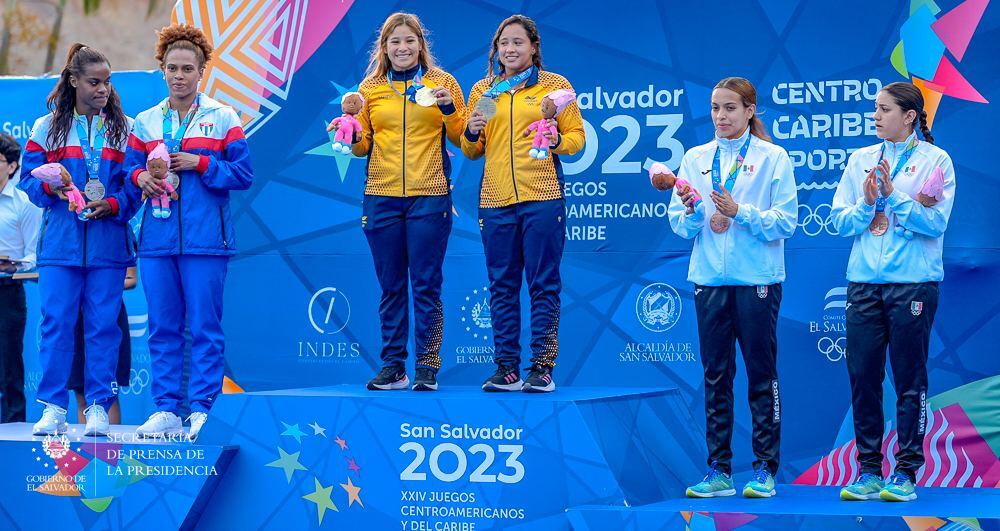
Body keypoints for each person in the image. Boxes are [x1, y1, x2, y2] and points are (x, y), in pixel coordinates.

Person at [666, 77, 797, 498]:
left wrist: (741, 212)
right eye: (715, 109)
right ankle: (718, 470)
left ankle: (764, 469)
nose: (720, 117)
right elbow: (681, 224)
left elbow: (786, 222)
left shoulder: (774, 157)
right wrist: (690, 212)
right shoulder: (696, 157)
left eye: (729, 108)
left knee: (762, 376)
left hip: (757, 279)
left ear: (749, 110)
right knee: (715, 377)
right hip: (708, 280)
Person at [125, 24, 253, 439]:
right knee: (163, 327)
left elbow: (243, 174)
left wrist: (200, 164)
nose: (179, 75)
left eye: (187, 68)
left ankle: (202, 408)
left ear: (202, 72)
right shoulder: (145, 122)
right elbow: (128, 172)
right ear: (162, 70)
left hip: (205, 242)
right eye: (171, 68)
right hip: (157, 242)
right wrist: (140, 177)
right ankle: (166, 409)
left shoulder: (222, 117)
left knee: (204, 327)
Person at [832, 81, 954, 503]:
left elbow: (934, 224)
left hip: (912, 285)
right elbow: (839, 223)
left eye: (884, 110)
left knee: (909, 380)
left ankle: (905, 472)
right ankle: (868, 471)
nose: (875, 116)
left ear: (909, 116)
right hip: (863, 284)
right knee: (863, 377)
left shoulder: (936, 161)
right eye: (875, 109)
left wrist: (892, 197)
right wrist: (867, 204)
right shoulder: (861, 159)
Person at [336, 12, 466, 392]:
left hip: (430, 196)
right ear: (384, 48)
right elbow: (361, 147)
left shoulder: (444, 83)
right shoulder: (370, 88)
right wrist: (348, 131)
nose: (402, 48)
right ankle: (394, 366)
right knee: (391, 286)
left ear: (421, 45)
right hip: (381, 196)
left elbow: (464, 139)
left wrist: (447, 109)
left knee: (426, 284)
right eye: (395, 42)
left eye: (409, 41)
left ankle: (427, 366)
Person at [18, 44, 136, 437]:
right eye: (94, 82)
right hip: (59, 248)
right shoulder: (45, 127)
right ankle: (53, 406)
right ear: (73, 81)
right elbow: (29, 181)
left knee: (103, 327)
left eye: (107, 82)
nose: (102, 89)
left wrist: (115, 203)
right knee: (56, 324)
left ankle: (99, 408)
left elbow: (134, 187)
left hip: (108, 246)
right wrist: (54, 192)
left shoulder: (125, 129)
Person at [462, 14, 584, 393]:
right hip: (495, 200)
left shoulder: (554, 86)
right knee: (501, 285)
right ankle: (507, 369)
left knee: (543, 283)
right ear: (496, 50)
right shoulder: (484, 89)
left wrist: (554, 143)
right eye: (504, 43)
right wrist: (470, 131)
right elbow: (471, 151)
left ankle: (542, 368)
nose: (510, 49)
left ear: (533, 47)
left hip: (543, 197)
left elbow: (577, 138)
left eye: (518, 42)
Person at [0, 132, 42, 423]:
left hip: (7, 289)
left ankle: (12, 433)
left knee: (8, 367)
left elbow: (36, 256)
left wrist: (11, 263)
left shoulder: (24, 203)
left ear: (12, 166)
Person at [70, 265, 137, 424]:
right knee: (81, 392)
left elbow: (131, 279)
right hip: (75, 314)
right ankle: (86, 448)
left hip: (107, 311)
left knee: (107, 394)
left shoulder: (117, 239)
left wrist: (100, 284)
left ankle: (109, 449)